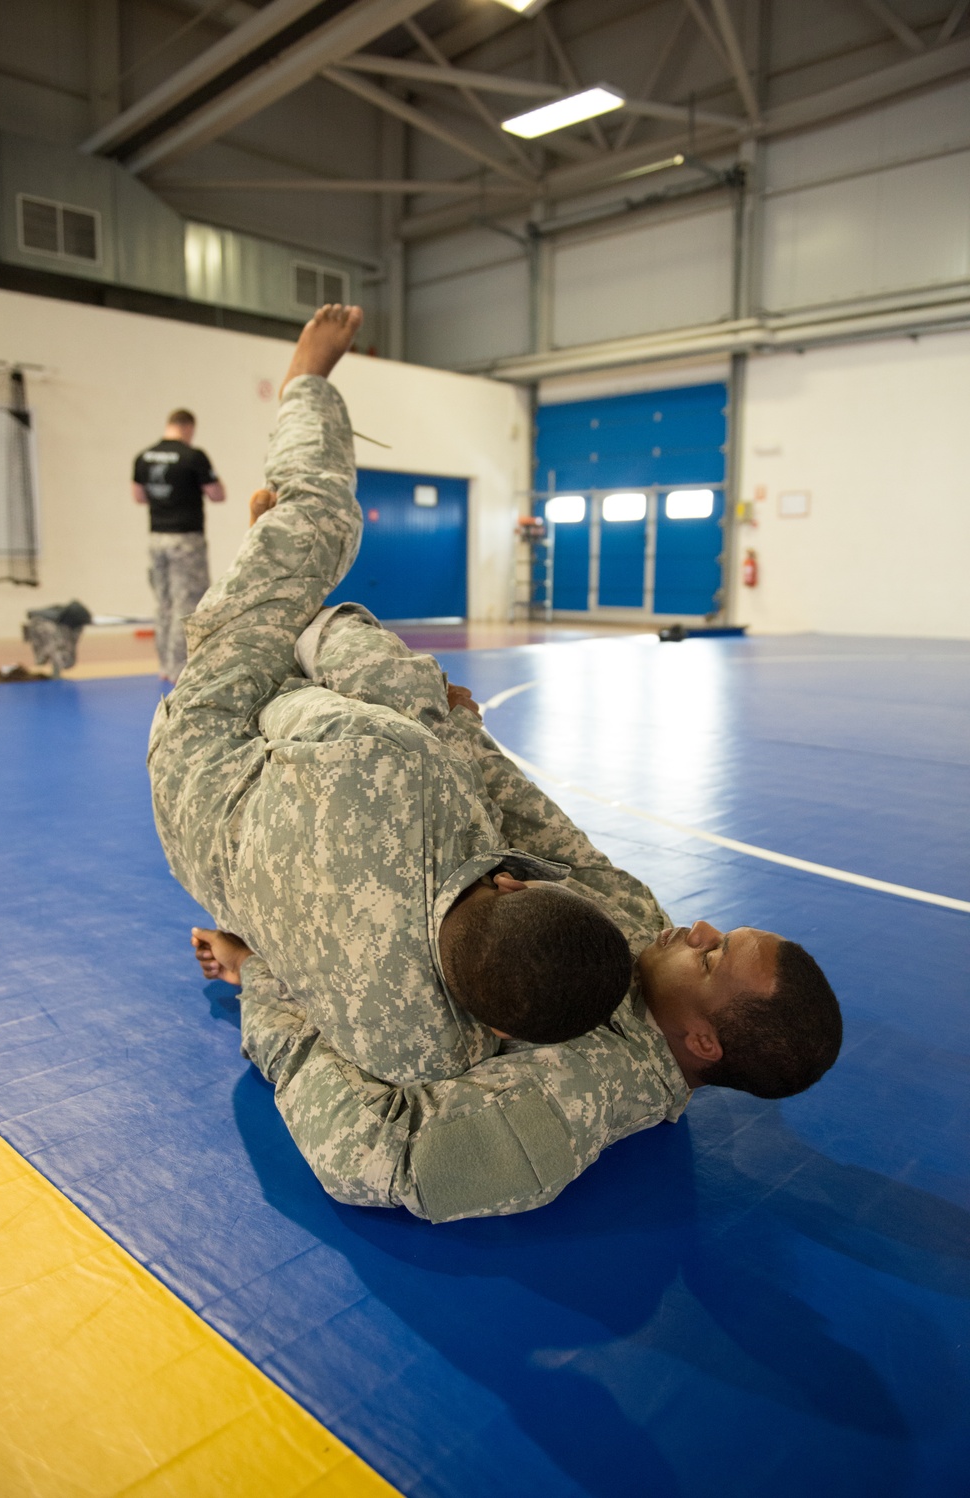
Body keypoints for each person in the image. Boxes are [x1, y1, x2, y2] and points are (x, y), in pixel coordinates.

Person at [153, 303, 842, 1222]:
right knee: (402, 704)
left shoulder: (582, 1094)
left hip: (261, 800)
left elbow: (386, 1161)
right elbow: (537, 826)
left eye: (716, 957)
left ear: (702, 1044)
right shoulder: (639, 927)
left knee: (330, 635)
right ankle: (293, 603)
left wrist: (271, 981)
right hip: (339, 824)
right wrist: (458, 731)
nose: (703, 928)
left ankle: (292, 566)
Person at [147, 305, 636, 1092]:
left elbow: (288, 705)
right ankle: (273, 586)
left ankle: (305, 385)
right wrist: (252, 969)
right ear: (502, 1031)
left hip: (205, 745)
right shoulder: (421, 1053)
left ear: (512, 882)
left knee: (317, 526)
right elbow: (302, 1043)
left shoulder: (406, 773)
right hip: (207, 866)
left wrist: (311, 632)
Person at [132, 408, 226, 683]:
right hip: (186, 539)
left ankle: (164, 665)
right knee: (187, 604)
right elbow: (217, 494)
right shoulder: (192, 456)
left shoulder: (143, 457)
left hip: (156, 537)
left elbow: (138, 496)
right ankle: (180, 668)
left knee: (163, 603)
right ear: (189, 427)